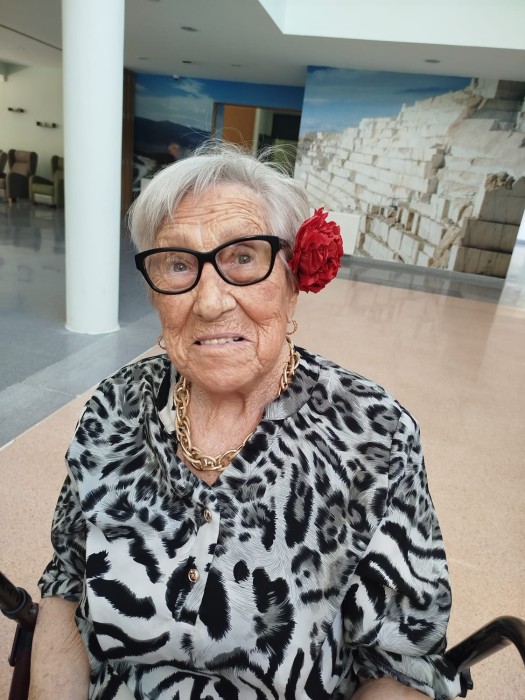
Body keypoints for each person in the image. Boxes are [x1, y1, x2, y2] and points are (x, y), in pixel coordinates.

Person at [30, 144, 461, 699]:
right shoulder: (117, 406)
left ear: (293, 280)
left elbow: (400, 664)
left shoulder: (375, 435)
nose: (210, 302)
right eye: (178, 264)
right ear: (154, 293)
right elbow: (67, 584)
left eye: (243, 258)